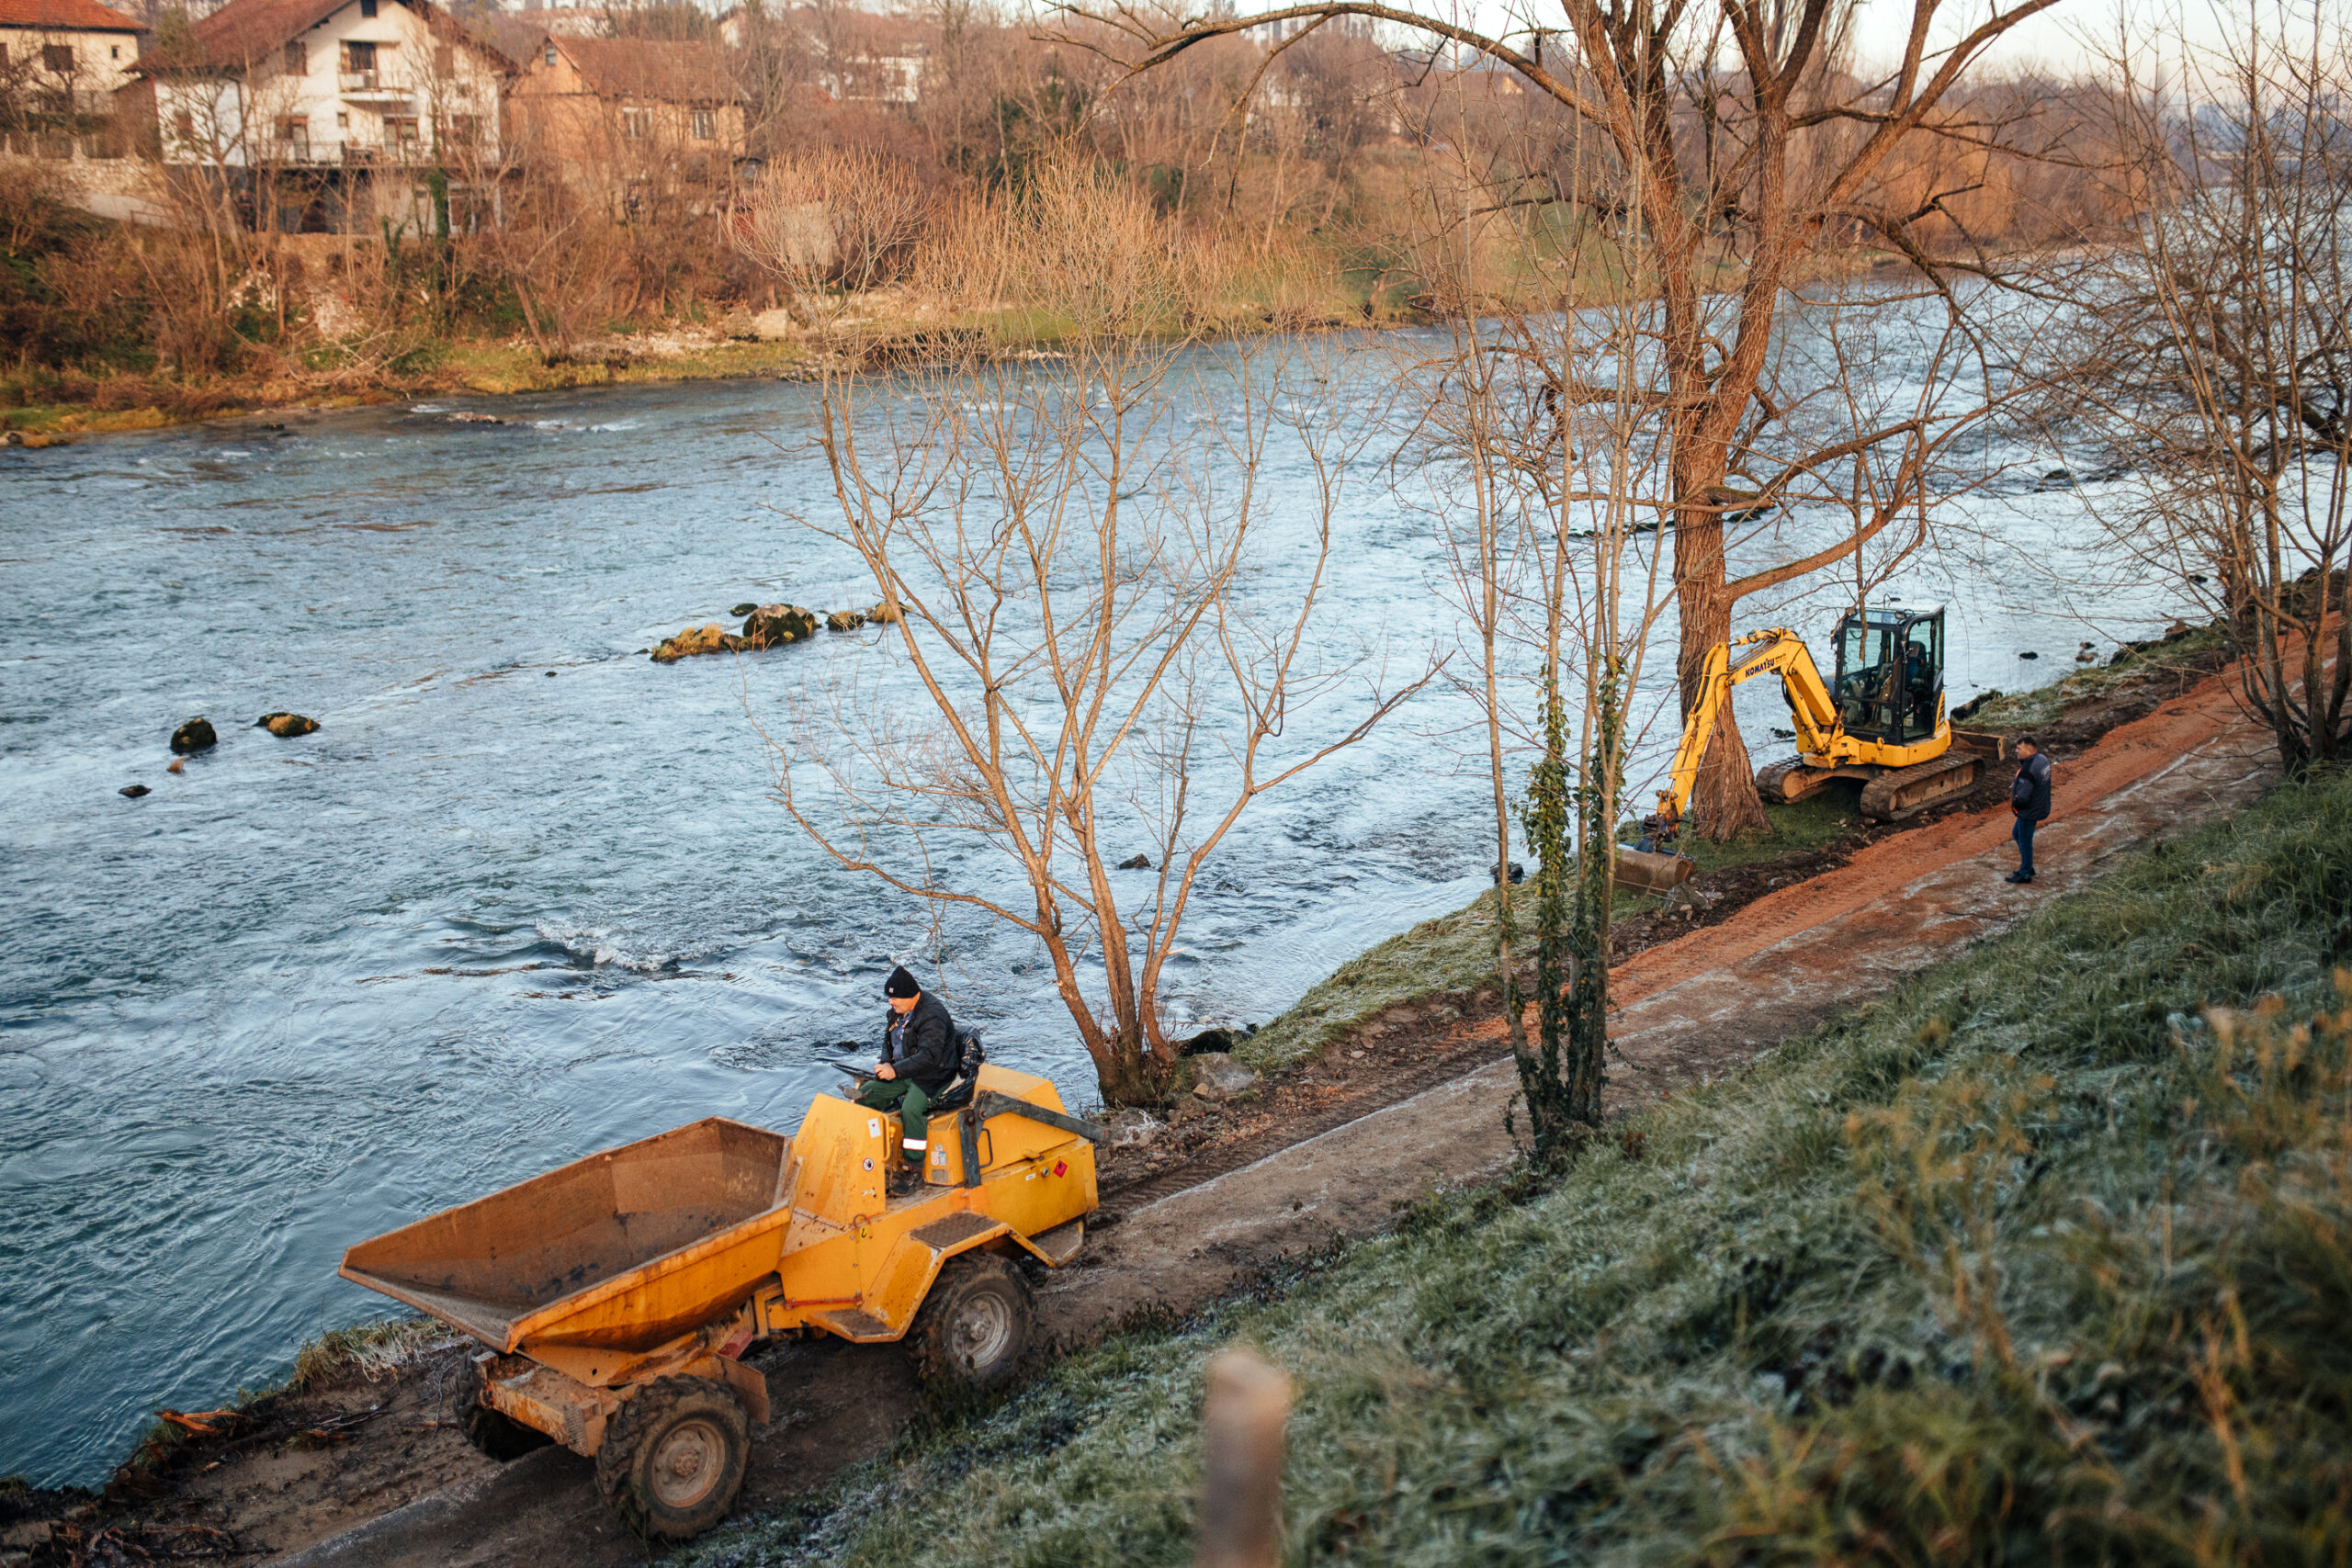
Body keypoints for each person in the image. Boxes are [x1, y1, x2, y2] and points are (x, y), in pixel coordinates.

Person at [859, 965, 956, 1193]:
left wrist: (896, 1071)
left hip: (934, 1073)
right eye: (890, 997)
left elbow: (929, 1057)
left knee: (911, 1109)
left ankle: (915, 1168)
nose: (890, 1003)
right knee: (867, 1096)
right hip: (905, 1069)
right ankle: (870, 1155)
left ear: (911, 996)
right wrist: (886, 1063)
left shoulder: (933, 1016)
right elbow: (888, 1042)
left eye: (894, 998)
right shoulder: (897, 1012)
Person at [2007, 737, 2052, 885]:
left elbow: (2024, 797)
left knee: (2025, 840)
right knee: (2017, 834)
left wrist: (2016, 805)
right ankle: (2028, 865)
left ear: (2029, 749)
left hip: (2029, 811)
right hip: (2040, 805)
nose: (2016, 751)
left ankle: (2025, 873)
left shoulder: (2028, 770)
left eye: (2019, 748)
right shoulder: (2042, 759)